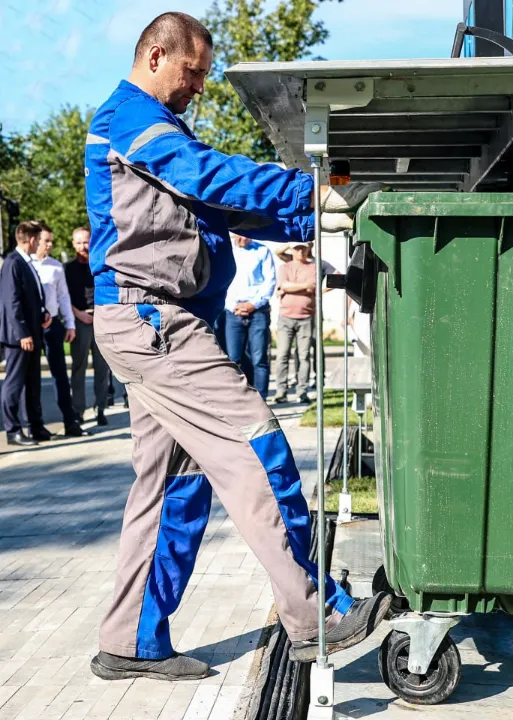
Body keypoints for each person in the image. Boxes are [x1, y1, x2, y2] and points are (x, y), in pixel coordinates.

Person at [84, 12, 386, 682]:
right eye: (192, 73)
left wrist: (325, 200)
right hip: (155, 323)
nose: (198, 87)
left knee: (175, 486)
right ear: (157, 55)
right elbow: (208, 178)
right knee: (259, 446)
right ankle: (316, 614)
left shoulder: (153, 125)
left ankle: (130, 638)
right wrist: (312, 185)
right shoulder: (128, 120)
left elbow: (226, 209)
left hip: (157, 322)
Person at [0, 221, 51, 447]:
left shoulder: (25, 262)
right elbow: (11, 302)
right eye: (38, 240)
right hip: (19, 337)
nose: (39, 243)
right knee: (14, 384)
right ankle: (13, 431)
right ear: (31, 240)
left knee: (33, 382)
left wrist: (43, 312)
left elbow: (30, 297)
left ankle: (36, 426)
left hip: (33, 331)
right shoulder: (13, 263)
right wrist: (22, 332)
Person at [32, 223, 85, 437]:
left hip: (54, 325)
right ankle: (36, 425)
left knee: (60, 376)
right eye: (47, 241)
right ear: (35, 240)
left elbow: (64, 297)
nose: (50, 245)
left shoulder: (56, 266)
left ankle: (70, 421)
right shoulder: (26, 266)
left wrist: (70, 324)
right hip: (33, 326)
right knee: (33, 378)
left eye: (52, 241)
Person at [273, 242, 333, 405]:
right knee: (282, 355)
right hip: (286, 316)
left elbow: (311, 286)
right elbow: (284, 285)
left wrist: (290, 288)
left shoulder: (314, 267)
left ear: (308, 249)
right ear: (292, 250)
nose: (300, 251)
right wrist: (296, 287)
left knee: (304, 355)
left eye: (303, 248)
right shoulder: (284, 267)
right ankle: (281, 391)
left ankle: (302, 391)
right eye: (297, 248)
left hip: (306, 316)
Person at [65, 227, 110, 426]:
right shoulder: (67, 269)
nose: (83, 246)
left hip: (100, 319)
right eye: (79, 242)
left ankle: (100, 408)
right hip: (79, 320)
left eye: (86, 242)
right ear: (73, 244)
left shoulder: (100, 264)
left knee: (103, 368)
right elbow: (62, 298)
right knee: (79, 367)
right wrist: (78, 314)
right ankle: (78, 410)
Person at [224, 233, 276, 399]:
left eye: (247, 235)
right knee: (233, 358)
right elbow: (222, 282)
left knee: (259, 358)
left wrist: (253, 304)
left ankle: (262, 399)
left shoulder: (262, 250)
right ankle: (238, 399)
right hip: (233, 310)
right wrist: (233, 306)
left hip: (257, 310)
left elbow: (270, 281)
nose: (244, 238)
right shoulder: (226, 252)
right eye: (240, 235)